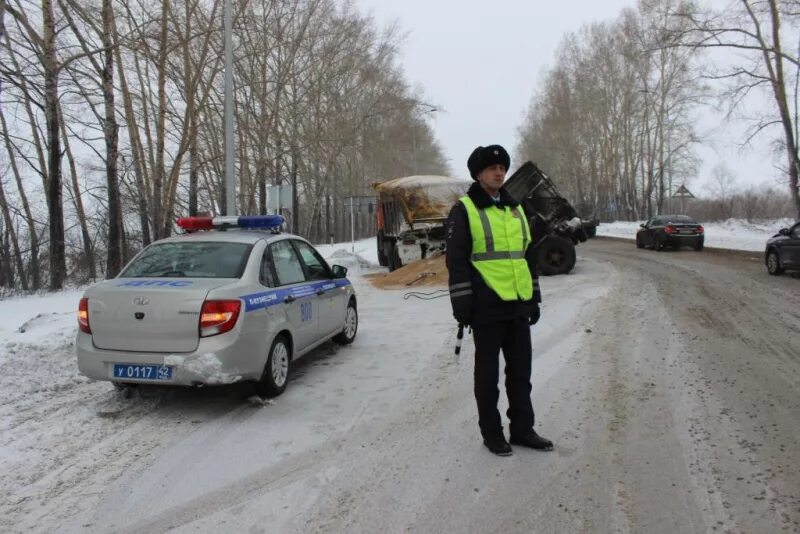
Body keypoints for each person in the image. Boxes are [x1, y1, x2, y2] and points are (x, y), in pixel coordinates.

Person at [445, 144, 554, 456]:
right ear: (478, 174)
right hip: (486, 306)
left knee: (521, 374)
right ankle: (492, 433)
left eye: (502, 167)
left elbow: (527, 255)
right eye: (492, 168)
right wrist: (462, 304)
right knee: (488, 377)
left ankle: (522, 429)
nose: (499, 172)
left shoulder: (516, 208)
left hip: (518, 304)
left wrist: (533, 295)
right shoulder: (464, 209)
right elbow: (456, 260)